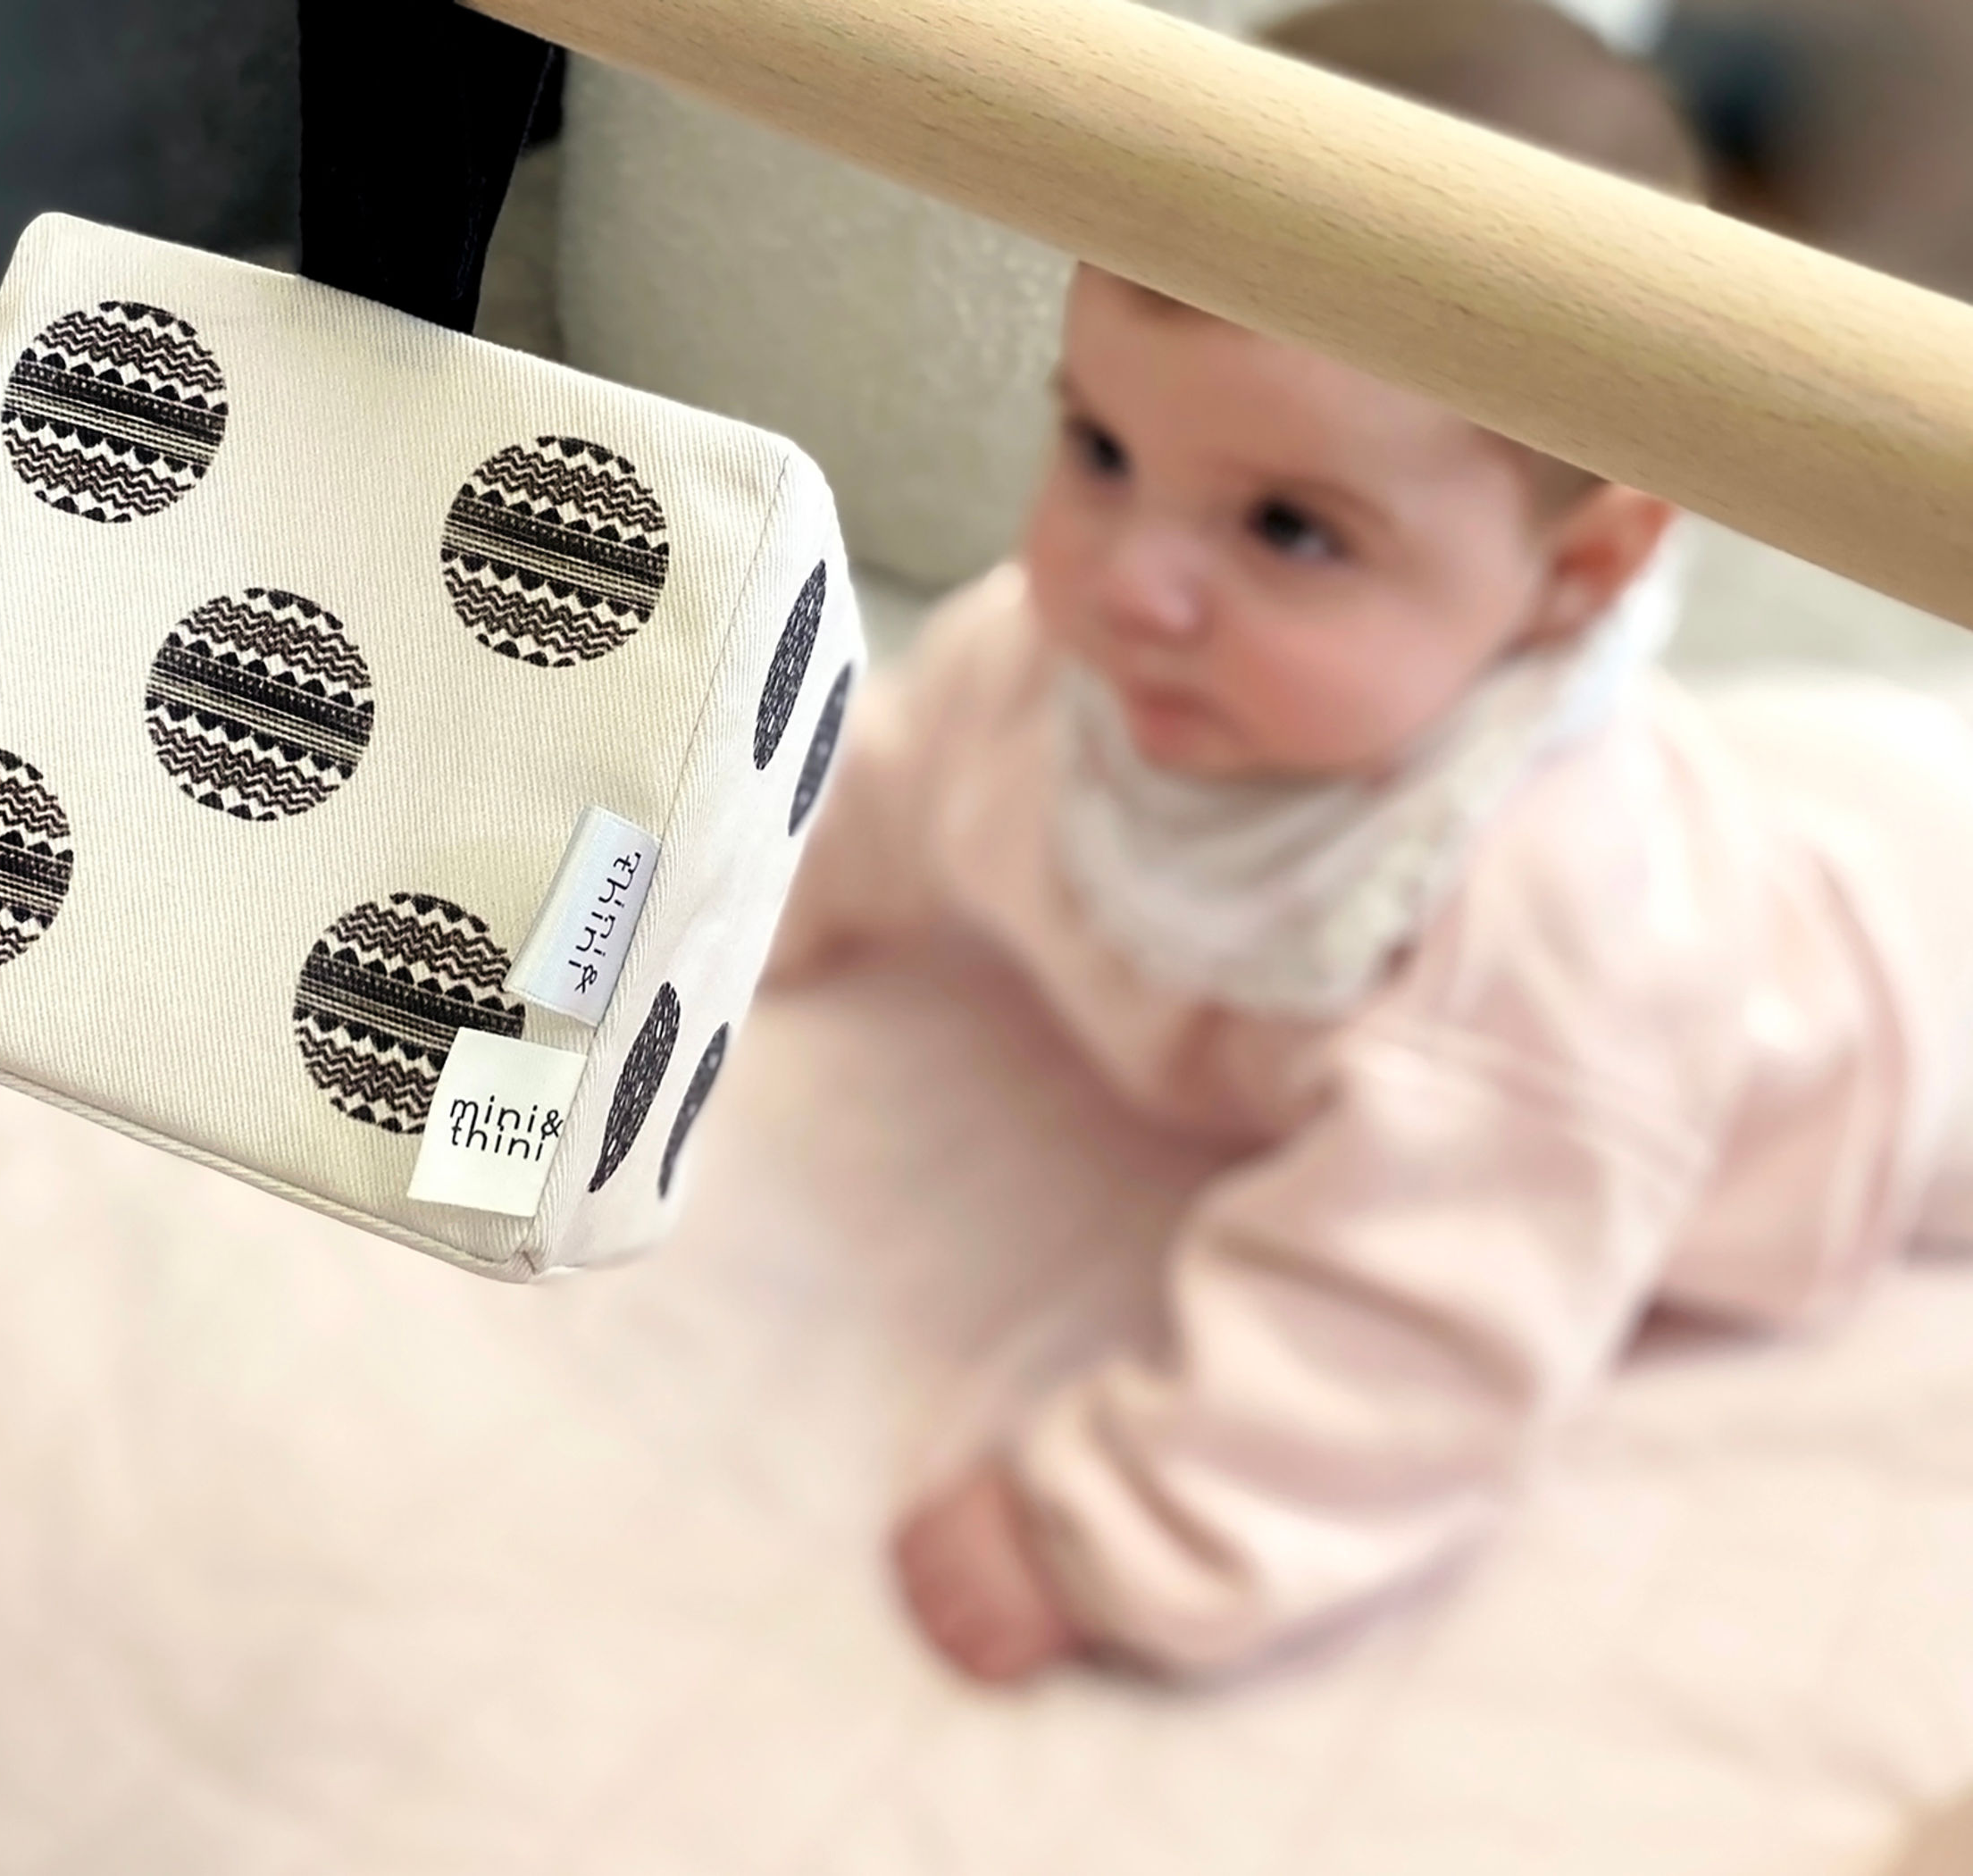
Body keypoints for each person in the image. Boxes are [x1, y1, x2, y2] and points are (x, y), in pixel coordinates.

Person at [770, 0, 1973, 1682]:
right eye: (1101, 448)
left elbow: (1402, 1345)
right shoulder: (1072, 657)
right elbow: (883, 786)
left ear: (1581, 571)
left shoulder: (1543, 946)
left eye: (1288, 529)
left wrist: (1105, 1532)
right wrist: (731, 911)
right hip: (1804, 793)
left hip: (1902, 1045)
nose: (1135, 581)